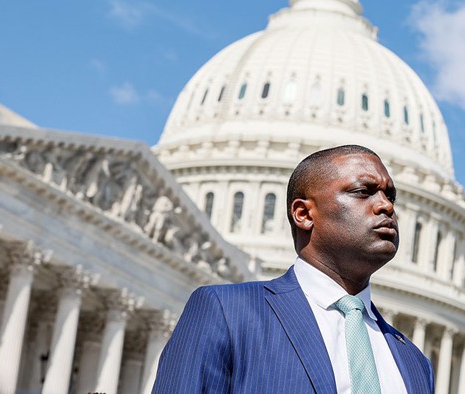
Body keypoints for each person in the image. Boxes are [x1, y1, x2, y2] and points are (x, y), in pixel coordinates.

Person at [153, 145, 433, 393]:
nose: (386, 206)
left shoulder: (414, 362)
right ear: (303, 214)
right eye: (363, 191)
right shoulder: (228, 314)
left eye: (390, 196)